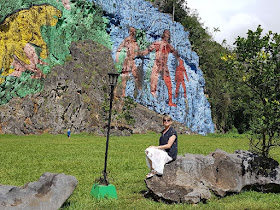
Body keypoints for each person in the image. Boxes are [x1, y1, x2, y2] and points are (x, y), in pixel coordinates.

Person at [140, 29, 180, 107]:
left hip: (164, 65)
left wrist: (179, 58)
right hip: (157, 63)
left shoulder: (169, 46)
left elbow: (176, 53)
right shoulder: (158, 43)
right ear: (163, 35)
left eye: (168, 34)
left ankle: (170, 100)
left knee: (168, 82)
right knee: (154, 78)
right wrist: (141, 53)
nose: (166, 35)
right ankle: (152, 93)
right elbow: (149, 49)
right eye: (165, 34)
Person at [116, 27, 140, 97]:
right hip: (127, 60)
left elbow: (137, 51)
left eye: (133, 31)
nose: (132, 32)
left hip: (132, 60)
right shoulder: (126, 40)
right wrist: (117, 58)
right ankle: (123, 92)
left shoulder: (135, 42)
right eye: (131, 31)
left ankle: (137, 93)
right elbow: (119, 49)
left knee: (136, 75)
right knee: (125, 75)